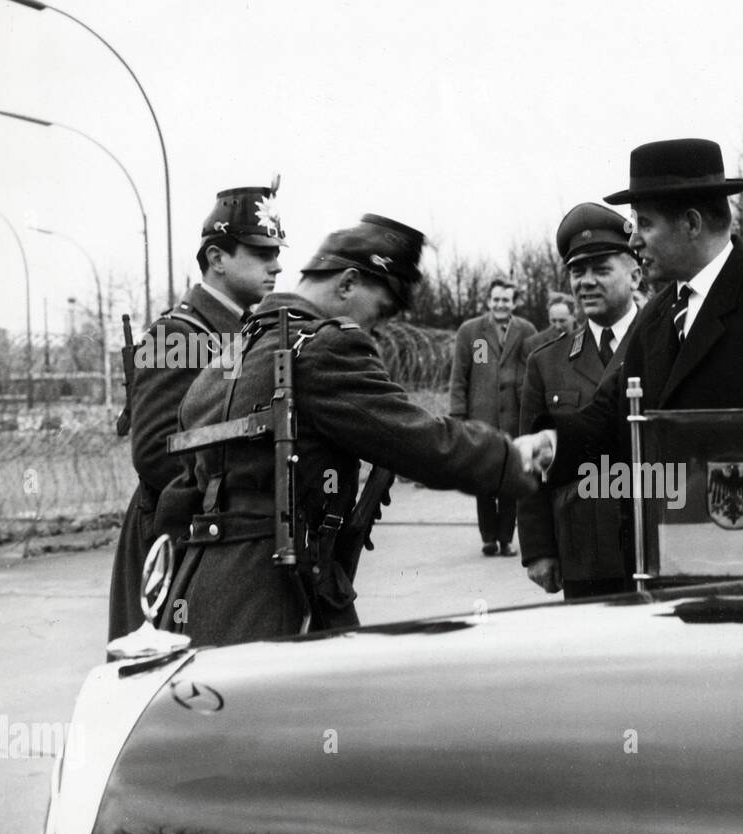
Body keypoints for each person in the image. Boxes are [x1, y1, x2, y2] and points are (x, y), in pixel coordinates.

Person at [157, 214, 540, 647]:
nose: (375, 331)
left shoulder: (233, 352)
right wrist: (512, 458)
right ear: (347, 284)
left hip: (198, 592)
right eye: (379, 313)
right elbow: (418, 441)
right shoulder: (326, 346)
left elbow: (178, 494)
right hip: (284, 594)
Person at [528, 138, 743, 573]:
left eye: (644, 224)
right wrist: (548, 444)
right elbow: (610, 416)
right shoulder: (658, 315)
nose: (632, 239)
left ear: (691, 223)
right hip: (672, 567)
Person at [107, 185, 284, 641]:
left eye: (276, 253)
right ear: (217, 258)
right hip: (175, 533)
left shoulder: (241, 331)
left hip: (214, 529)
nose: (276, 265)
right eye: (261, 253)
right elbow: (153, 452)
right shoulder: (178, 333)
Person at [517, 203, 640, 598]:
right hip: (584, 549)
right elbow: (529, 465)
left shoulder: (666, 342)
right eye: (577, 271)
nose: (586, 281)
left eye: (601, 269)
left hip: (658, 537)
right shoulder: (546, 362)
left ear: (635, 275)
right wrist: (538, 550)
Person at [449, 277, 537, 556]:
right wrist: (458, 416)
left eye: (506, 300)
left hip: (515, 418)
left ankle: (506, 539)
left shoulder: (526, 331)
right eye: (496, 299)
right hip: (480, 418)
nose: (501, 305)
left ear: (515, 302)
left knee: (511, 478)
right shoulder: (471, 331)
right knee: (484, 479)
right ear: (488, 301)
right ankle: (488, 537)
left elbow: (534, 373)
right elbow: (459, 378)